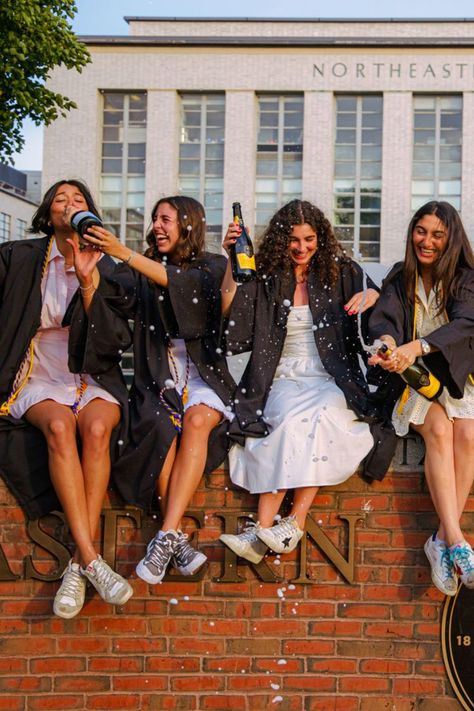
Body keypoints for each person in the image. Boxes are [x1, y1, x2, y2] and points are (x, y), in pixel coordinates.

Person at [218, 199, 395, 563]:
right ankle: (271, 527)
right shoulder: (266, 276)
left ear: (321, 237)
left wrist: (372, 294)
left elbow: (380, 298)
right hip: (279, 375)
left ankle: (286, 523)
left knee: (317, 415)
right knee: (282, 422)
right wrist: (230, 265)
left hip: (331, 376)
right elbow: (230, 320)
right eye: (293, 240)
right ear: (280, 240)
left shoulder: (341, 270)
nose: (301, 248)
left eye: (309, 239)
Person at [74, 195, 236, 585]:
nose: (157, 226)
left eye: (166, 219)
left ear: (189, 224)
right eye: (154, 219)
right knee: (162, 428)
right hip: (157, 379)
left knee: (196, 421)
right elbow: (108, 316)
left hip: (204, 378)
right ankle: (174, 538)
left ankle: (165, 534)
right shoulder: (141, 269)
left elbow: (202, 296)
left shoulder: (211, 267)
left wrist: (122, 251)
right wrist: (87, 281)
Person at [0, 179, 133, 619]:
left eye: (78, 200)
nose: (70, 204)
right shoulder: (19, 258)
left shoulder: (108, 266)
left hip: (90, 372)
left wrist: (89, 278)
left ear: (89, 212)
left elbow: (114, 340)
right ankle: (92, 559)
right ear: (48, 212)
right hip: (37, 368)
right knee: (58, 426)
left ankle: (78, 567)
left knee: (96, 427)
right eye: (61, 198)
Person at [368, 200, 474, 596]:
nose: (426, 241)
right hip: (412, 384)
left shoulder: (465, 278)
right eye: (421, 231)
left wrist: (420, 346)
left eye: (437, 235)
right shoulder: (400, 277)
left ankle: (441, 541)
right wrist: (389, 346)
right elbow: (386, 321)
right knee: (440, 430)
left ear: (451, 239)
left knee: (468, 433)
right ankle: (457, 540)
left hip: (455, 375)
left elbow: (466, 323)